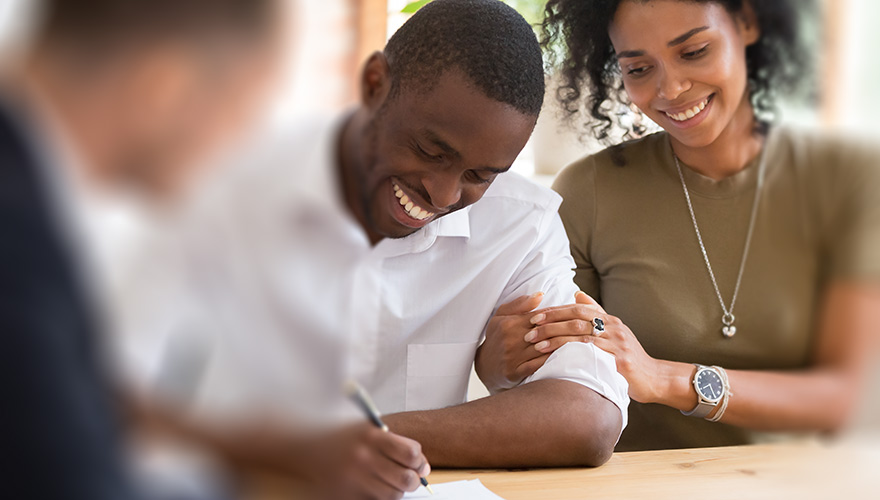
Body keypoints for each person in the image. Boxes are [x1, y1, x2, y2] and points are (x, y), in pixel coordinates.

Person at [116, 1, 629, 498]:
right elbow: (117, 395)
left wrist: (369, 438)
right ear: (374, 87)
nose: (445, 194)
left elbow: (588, 418)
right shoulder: (234, 186)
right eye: (432, 150)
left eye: (478, 176)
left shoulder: (519, 225)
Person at [479, 0, 880, 451]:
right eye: (639, 69)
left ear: (747, 23)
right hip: (636, 485)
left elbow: (848, 395)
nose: (671, 88)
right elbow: (560, 379)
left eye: (693, 52)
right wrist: (498, 364)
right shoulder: (591, 191)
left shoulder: (848, 179)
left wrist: (668, 379)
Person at [0, 0, 281, 497]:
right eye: (241, 113)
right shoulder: (15, 233)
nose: (238, 146)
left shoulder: (35, 188)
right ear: (164, 87)